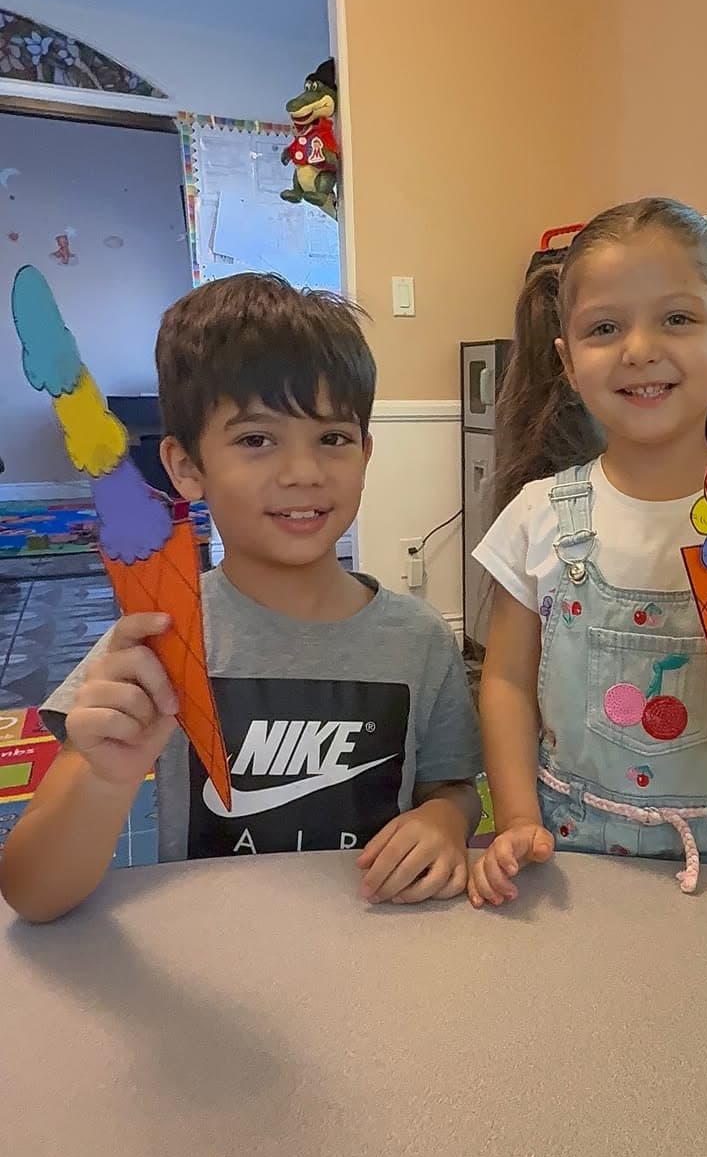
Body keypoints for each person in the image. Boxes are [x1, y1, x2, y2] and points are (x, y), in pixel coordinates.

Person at [1, 274, 481, 922]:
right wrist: (104, 772)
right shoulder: (154, 640)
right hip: (216, 960)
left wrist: (447, 820)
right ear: (186, 467)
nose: (303, 471)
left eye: (332, 438)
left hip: (375, 959)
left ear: (365, 453)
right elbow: (32, 895)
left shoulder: (420, 640)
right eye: (256, 440)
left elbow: (452, 786)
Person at [468, 197, 707, 907]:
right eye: (605, 327)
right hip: (571, 851)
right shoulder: (538, 516)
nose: (640, 347)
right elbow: (504, 683)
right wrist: (518, 817)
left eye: (677, 318)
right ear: (567, 361)